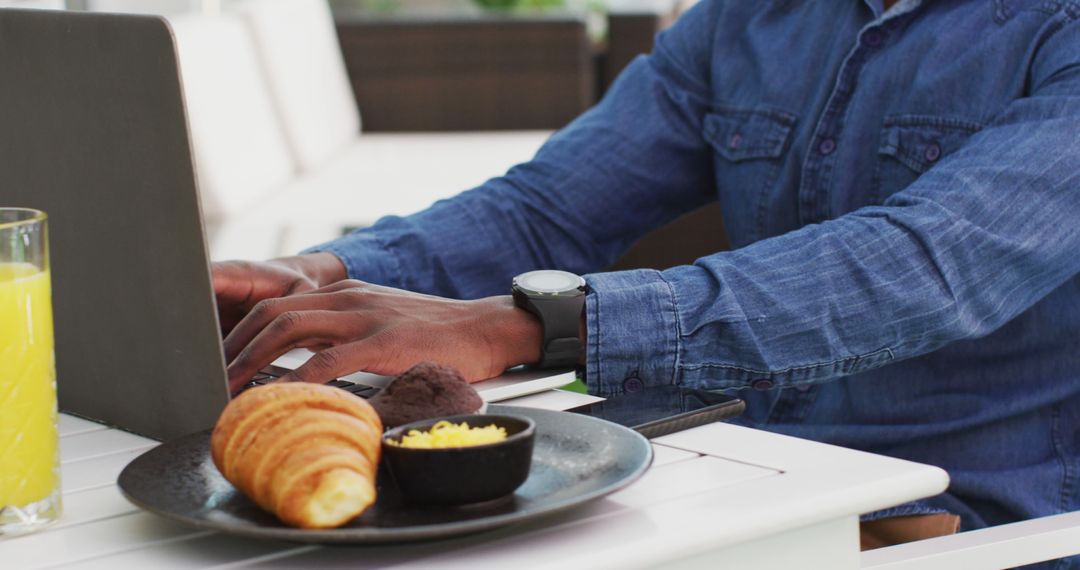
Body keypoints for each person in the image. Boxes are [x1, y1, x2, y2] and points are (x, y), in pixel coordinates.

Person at [213, 0, 1080, 559]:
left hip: (967, 524)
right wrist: (319, 273)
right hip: (747, 477)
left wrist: (524, 322)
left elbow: (926, 262)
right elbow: (546, 208)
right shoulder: (748, 21)